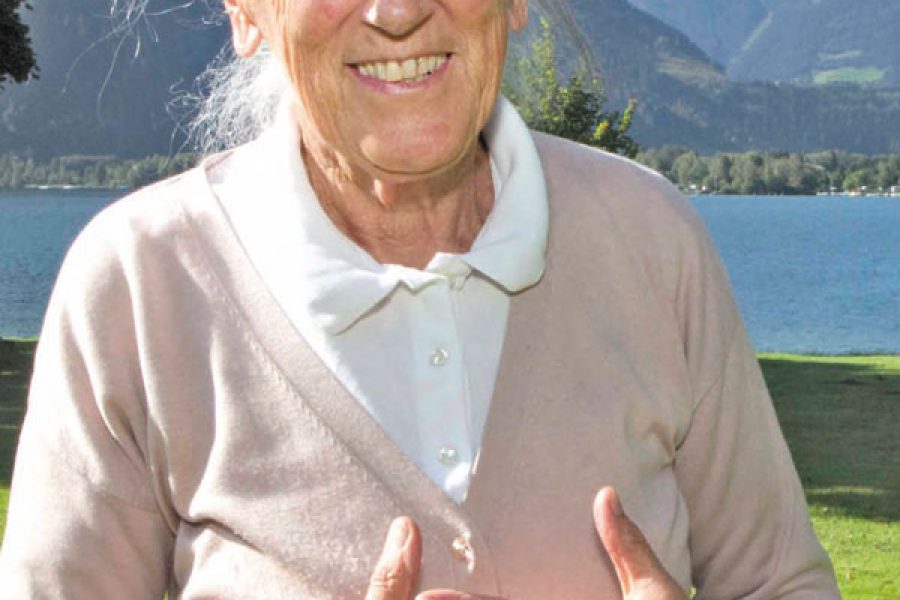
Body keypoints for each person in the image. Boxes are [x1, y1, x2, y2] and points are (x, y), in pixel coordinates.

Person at [0, 0, 841, 598]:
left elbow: (780, 584)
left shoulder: (650, 237)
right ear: (247, 13)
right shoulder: (139, 284)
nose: (398, 11)